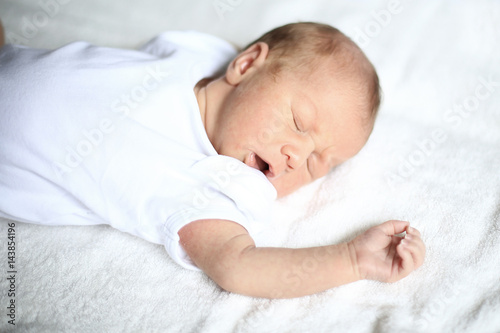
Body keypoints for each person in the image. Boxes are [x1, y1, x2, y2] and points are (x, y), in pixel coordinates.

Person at [0, 21, 425, 298]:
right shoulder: (204, 59)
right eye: (299, 122)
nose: (299, 157)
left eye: (319, 163)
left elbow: (238, 268)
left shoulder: (214, 188)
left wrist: (352, 259)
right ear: (245, 65)